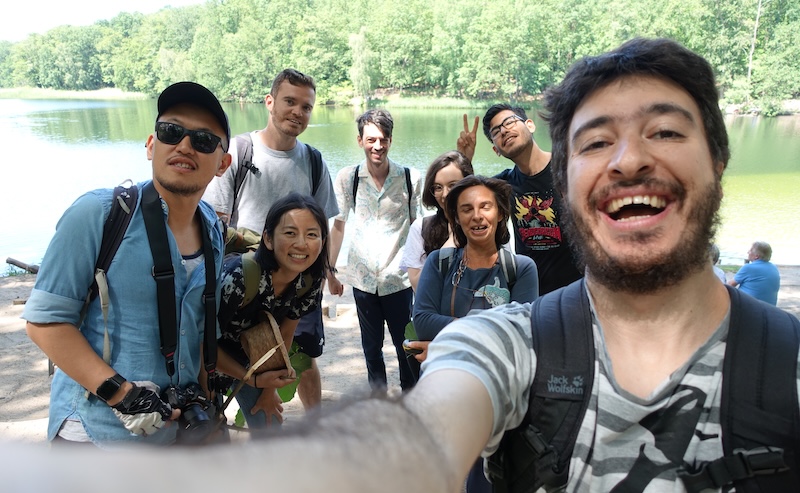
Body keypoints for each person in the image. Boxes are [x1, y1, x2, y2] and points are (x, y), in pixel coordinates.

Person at [22, 82, 232, 447]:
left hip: (174, 436)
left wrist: (207, 405)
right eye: (171, 131)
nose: (184, 146)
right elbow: (45, 322)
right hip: (94, 436)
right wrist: (123, 395)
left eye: (203, 140)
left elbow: (199, 332)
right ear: (151, 145)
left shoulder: (213, 228)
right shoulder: (98, 214)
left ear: (222, 164)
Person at [203, 68, 338, 410]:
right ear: (269, 102)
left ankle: (314, 423)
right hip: (244, 282)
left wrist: (322, 275)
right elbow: (215, 224)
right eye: (289, 102)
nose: (297, 112)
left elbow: (321, 228)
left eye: (306, 107)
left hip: (296, 282)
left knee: (304, 357)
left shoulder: (313, 160)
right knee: (217, 360)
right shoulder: (240, 151)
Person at [411, 175, 538, 493]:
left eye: (485, 207)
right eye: (466, 209)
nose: (477, 216)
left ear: (500, 213)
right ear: (456, 217)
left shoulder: (521, 268)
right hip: (444, 392)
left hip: (499, 396)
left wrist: (446, 343)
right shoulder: (439, 263)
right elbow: (423, 320)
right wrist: (494, 329)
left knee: (488, 481)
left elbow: (521, 334)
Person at [216, 193, 330, 434]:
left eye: (312, 234)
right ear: (268, 238)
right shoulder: (237, 278)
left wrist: (268, 391)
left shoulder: (309, 280)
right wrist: (252, 380)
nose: (301, 244)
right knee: (209, 436)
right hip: (204, 362)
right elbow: (199, 345)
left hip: (251, 360)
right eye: (290, 233)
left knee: (271, 431)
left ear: (323, 241)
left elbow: (285, 334)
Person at [327, 109, 422, 391]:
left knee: (406, 346)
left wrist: (422, 276)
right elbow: (339, 226)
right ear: (360, 141)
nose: (377, 146)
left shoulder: (410, 178)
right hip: (363, 280)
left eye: (383, 139)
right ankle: (378, 401)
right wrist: (330, 271)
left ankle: (410, 399)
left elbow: (418, 229)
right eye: (371, 140)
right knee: (371, 348)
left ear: (390, 140)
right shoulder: (349, 177)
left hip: (398, 279)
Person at [457, 106, 582, 295]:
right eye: (496, 132)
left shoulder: (567, 168)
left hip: (578, 288)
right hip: (530, 293)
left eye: (509, 122)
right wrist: (465, 160)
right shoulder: (503, 185)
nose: (504, 131)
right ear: (496, 150)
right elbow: (464, 203)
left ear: (530, 125)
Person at [399, 150, 474, 291]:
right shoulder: (421, 228)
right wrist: (450, 244)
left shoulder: (484, 224)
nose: (445, 194)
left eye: (452, 185)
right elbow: (418, 286)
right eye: (438, 187)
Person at [729, 241, 780, 305]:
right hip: (769, 308)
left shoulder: (749, 268)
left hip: (749, 307)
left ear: (756, 256)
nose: (748, 252)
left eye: (750, 250)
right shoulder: (774, 267)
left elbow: (730, 285)